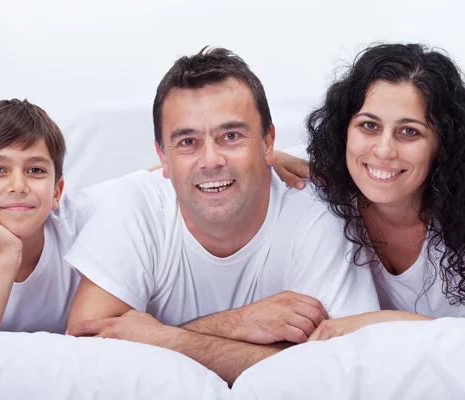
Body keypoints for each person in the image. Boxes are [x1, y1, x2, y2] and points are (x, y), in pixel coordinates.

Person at [65, 47, 380, 386]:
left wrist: (164, 339)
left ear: (268, 142)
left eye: (231, 136)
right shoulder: (135, 204)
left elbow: (340, 371)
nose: (211, 160)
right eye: (188, 141)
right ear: (163, 158)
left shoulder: (317, 212)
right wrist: (236, 324)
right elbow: (86, 350)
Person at [273, 43, 465, 341]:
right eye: (369, 125)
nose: (384, 150)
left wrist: (387, 321)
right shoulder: (328, 181)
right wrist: (269, 160)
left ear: (442, 143)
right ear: (344, 131)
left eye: (410, 131)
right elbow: (245, 161)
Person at [0, 99, 110, 333]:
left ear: (56, 191)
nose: (18, 186)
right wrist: (7, 255)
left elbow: (153, 180)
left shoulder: (81, 216)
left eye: (35, 170)